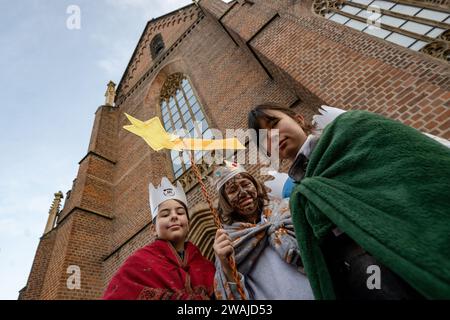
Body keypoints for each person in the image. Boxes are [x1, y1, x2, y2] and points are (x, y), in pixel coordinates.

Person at [248, 103, 450, 299]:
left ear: (298, 119)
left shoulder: (351, 130)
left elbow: (417, 166)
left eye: (274, 123)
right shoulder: (298, 198)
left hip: (422, 238)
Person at [212, 161, 314, 300]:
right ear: (225, 201)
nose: (242, 192)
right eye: (233, 190)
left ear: (255, 185)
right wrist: (226, 266)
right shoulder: (229, 242)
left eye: (246, 184)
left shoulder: (286, 209)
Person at [103, 177, 215, 300]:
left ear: (189, 223)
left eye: (180, 213)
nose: (174, 216)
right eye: (165, 214)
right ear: (153, 229)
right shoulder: (139, 261)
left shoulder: (205, 264)